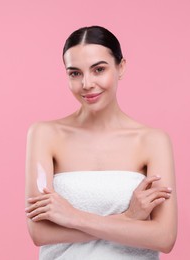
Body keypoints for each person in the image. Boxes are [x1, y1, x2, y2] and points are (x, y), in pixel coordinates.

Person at [25, 25, 177, 260]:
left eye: (98, 70)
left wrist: (74, 217)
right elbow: (40, 232)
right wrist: (128, 219)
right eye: (75, 73)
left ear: (121, 67)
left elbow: (164, 237)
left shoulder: (152, 141)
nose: (86, 83)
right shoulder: (45, 135)